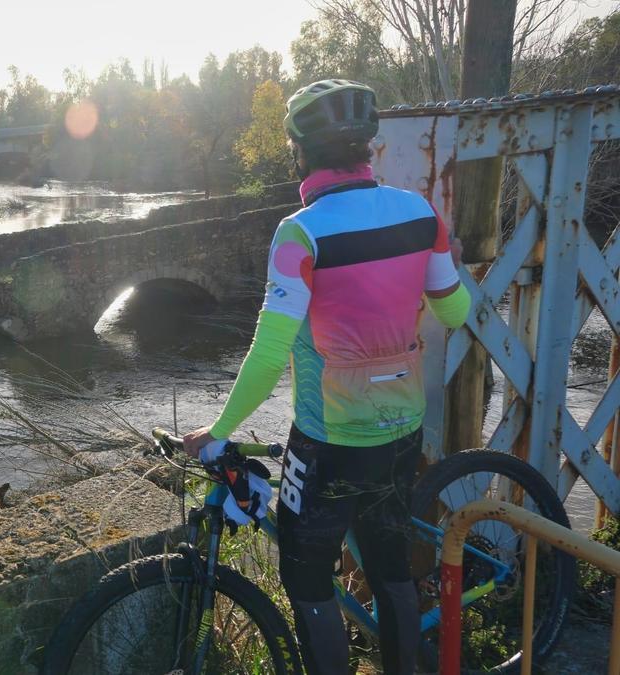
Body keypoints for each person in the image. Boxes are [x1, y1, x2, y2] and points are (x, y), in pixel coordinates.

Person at [181, 79, 471, 675]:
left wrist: (218, 430)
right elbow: (456, 314)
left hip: (329, 441)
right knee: (393, 567)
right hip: (402, 427)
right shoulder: (421, 214)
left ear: (301, 154)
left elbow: (267, 358)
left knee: (308, 580)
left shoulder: (300, 232)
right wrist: (453, 268)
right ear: (368, 148)